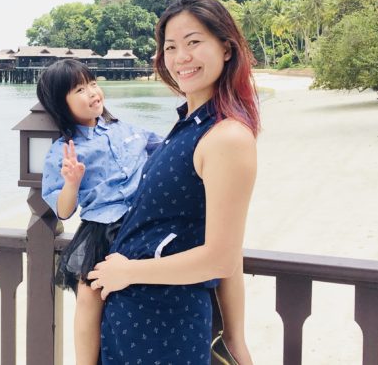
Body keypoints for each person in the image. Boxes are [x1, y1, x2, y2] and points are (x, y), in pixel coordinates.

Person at [38, 58, 251, 365]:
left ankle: (232, 337)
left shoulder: (126, 130)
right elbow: (63, 210)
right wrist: (72, 182)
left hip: (142, 221)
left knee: (203, 268)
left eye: (93, 83)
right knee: (89, 296)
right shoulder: (64, 150)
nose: (92, 93)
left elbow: (168, 151)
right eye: (80, 90)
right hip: (102, 227)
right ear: (61, 104)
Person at [87, 0, 259, 364]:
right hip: (131, 321)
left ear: (226, 48)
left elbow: (222, 258)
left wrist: (129, 271)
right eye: (170, 47)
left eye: (194, 42)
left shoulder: (227, 136)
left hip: (165, 327)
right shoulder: (187, 128)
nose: (181, 57)